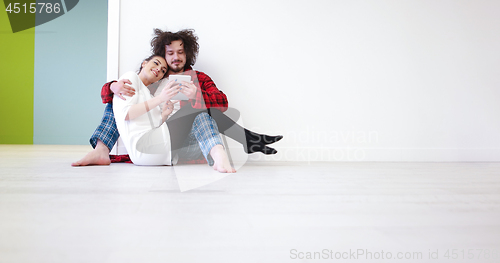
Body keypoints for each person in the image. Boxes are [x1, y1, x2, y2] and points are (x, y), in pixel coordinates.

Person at [72, 28, 282, 168]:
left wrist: (197, 96)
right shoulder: (152, 79)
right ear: (161, 56)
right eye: (170, 53)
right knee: (118, 95)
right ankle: (101, 150)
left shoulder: (199, 78)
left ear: (187, 53)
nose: (175, 57)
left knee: (200, 111)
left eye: (180, 52)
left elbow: (222, 103)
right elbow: (115, 98)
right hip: (157, 142)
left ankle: (240, 145)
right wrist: (113, 86)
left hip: (192, 143)